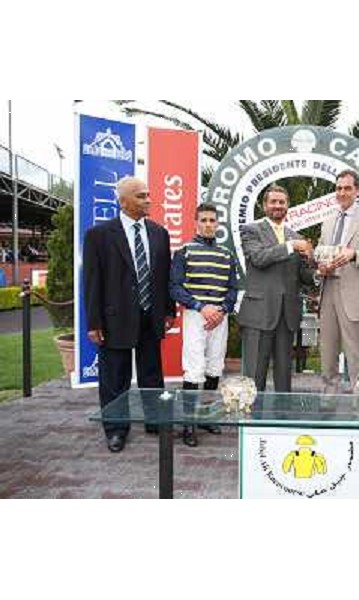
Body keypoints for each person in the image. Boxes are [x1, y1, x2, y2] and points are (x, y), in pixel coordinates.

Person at [83, 176, 176, 453]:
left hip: (151, 316)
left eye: (148, 194)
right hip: (114, 319)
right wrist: (94, 322)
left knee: (152, 375)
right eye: (140, 196)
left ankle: (154, 421)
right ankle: (115, 429)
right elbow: (92, 281)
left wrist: (168, 310)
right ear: (123, 202)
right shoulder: (99, 235)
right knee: (115, 378)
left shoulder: (160, 232)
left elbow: (164, 276)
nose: (148, 199)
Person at [169, 203, 238, 447]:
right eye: (204, 220)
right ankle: (189, 423)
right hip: (196, 316)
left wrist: (223, 309)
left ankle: (206, 416)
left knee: (215, 366)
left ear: (217, 224)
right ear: (195, 222)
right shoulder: (184, 251)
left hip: (219, 316)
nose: (208, 224)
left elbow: (232, 288)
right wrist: (201, 307)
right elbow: (175, 287)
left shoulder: (226, 254)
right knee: (194, 367)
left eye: (212, 220)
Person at [237, 184, 314, 392]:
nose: (278, 206)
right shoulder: (250, 230)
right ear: (264, 205)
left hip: (287, 315)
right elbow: (259, 258)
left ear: (288, 205)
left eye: (282, 202)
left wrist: (318, 268)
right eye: (273, 202)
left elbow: (303, 277)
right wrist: (291, 247)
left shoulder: (296, 236)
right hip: (259, 313)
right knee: (254, 375)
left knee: (284, 378)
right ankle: (251, 422)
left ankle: (283, 419)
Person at [316, 169, 359, 393]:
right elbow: (321, 252)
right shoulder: (327, 221)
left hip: (355, 297)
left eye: (347, 188)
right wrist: (321, 266)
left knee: (355, 357)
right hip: (328, 292)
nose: (342, 192)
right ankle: (329, 401)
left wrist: (354, 254)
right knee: (327, 354)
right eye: (338, 188)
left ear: (357, 190)